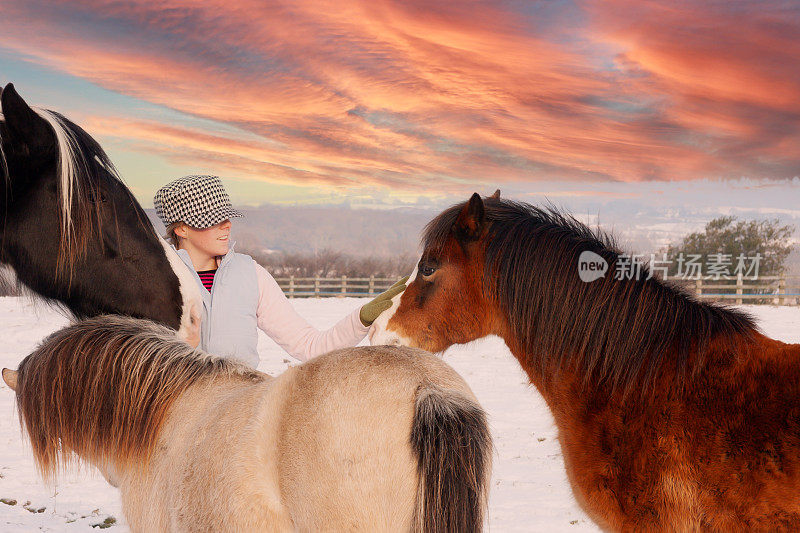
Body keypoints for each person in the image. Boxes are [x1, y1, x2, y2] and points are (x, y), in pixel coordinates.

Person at [154, 175, 406, 368]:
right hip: (175, 420)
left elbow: (311, 346)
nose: (227, 224)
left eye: (227, 216)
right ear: (182, 229)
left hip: (239, 417)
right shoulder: (154, 278)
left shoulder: (250, 274)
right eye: (213, 219)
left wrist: (361, 318)